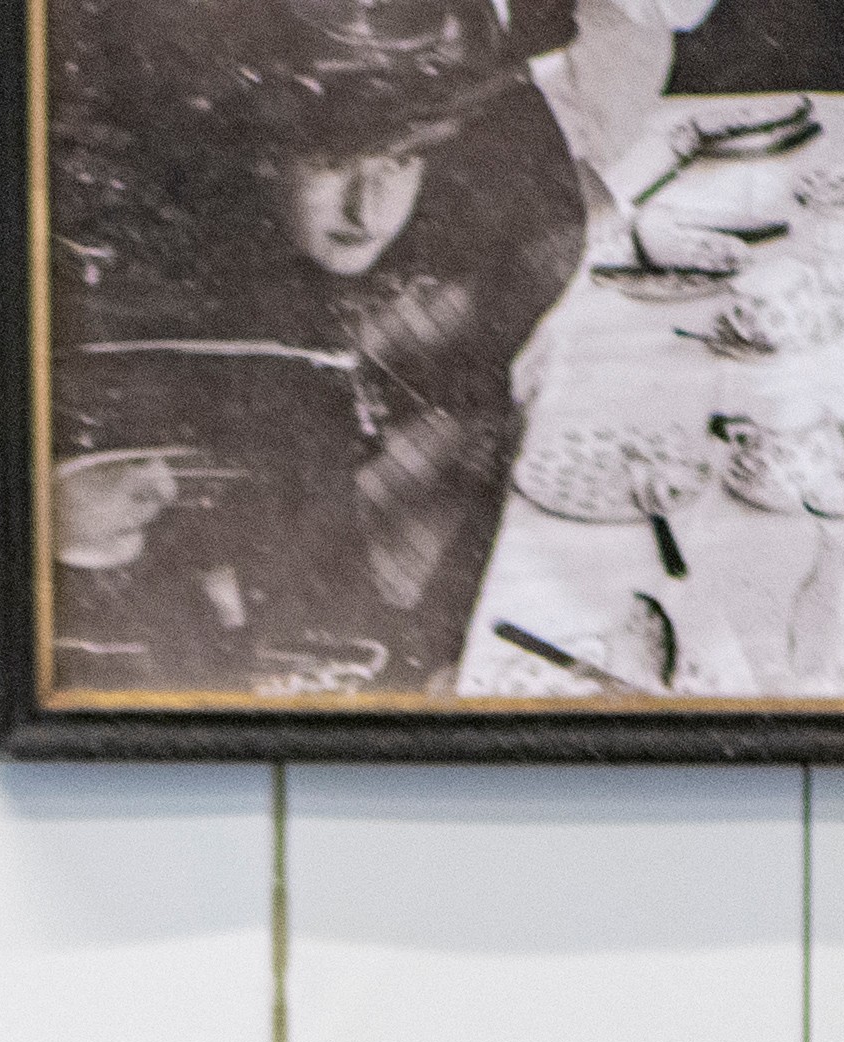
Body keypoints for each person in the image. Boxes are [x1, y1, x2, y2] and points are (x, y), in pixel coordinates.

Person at [39, 0, 594, 702]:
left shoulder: (452, 272)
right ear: (255, 153)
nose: (369, 209)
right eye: (332, 164)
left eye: (402, 158)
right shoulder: (180, 309)